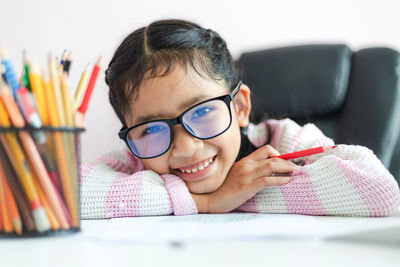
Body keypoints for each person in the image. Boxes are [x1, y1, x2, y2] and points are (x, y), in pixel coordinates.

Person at [80, 19, 400, 219]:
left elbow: (379, 190)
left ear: (240, 108)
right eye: (150, 128)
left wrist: (244, 194)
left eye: (203, 111)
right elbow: (68, 197)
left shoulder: (282, 140)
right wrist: (211, 202)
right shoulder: (136, 160)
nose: (186, 147)